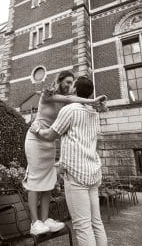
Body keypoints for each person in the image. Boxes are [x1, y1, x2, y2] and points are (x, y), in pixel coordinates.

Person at [23, 70, 106, 236]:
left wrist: (99, 106)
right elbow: (70, 99)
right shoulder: (48, 94)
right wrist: (93, 100)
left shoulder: (68, 103)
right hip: (35, 138)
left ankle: (45, 220)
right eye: (67, 82)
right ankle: (34, 223)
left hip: (49, 141)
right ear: (59, 81)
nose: (69, 86)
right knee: (34, 179)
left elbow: (76, 103)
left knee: (48, 181)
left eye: (71, 83)